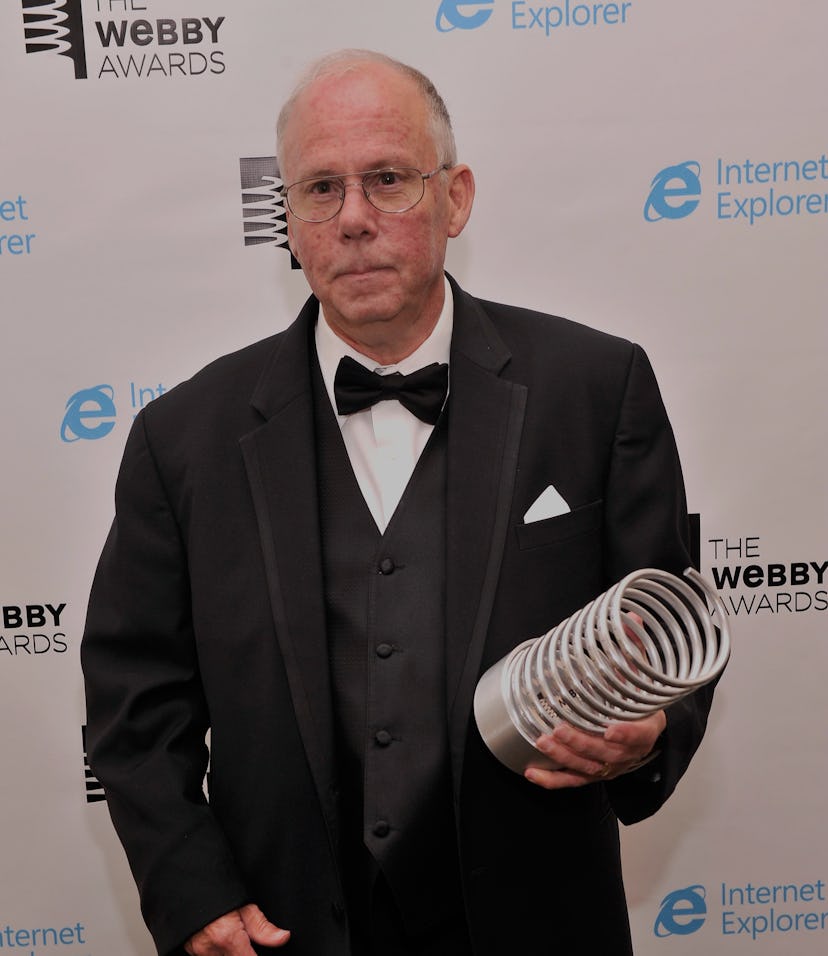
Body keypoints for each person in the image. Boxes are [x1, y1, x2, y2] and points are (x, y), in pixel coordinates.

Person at [81, 49, 717, 956]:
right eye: (319, 190)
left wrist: (651, 735)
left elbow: (670, 630)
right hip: (286, 931)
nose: (353, 221)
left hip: (537, 921)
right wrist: (191, 890)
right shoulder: (182, 437)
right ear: (288, 222)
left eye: (388, 181)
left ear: (454, 198)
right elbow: (134, 698)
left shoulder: (598, 387)